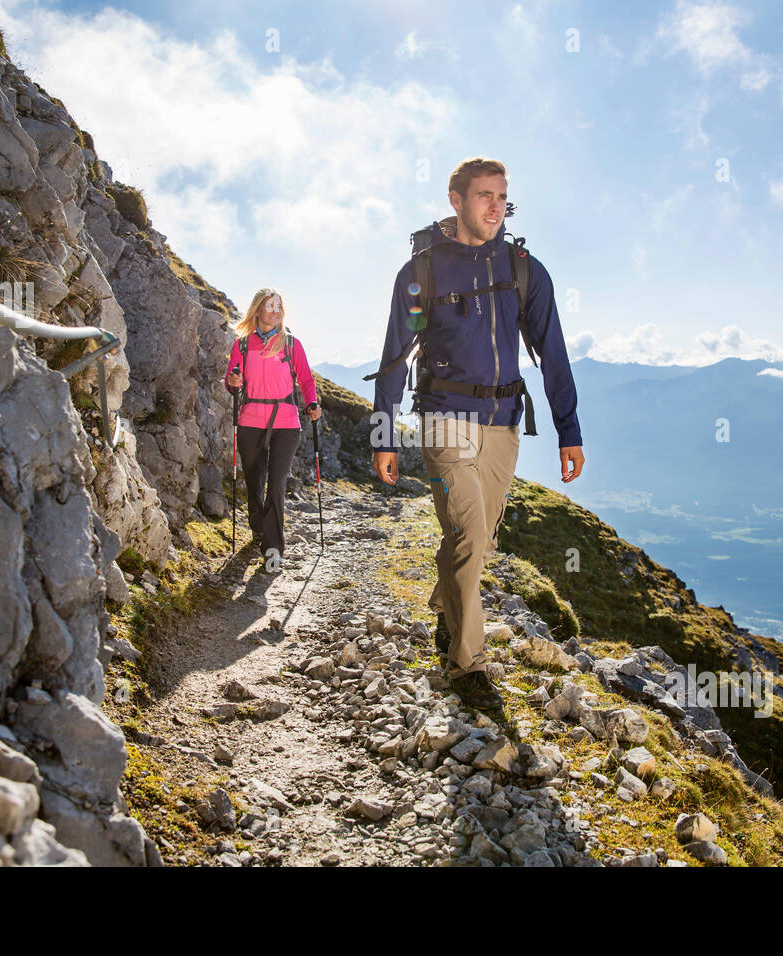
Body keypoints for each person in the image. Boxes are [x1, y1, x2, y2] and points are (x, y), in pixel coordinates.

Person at [369, 157, 585, 712]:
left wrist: (569, 429)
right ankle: (468, 666)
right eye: (484, 196)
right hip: (443, 419)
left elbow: (553, 353)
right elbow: (394, 358)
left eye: (502, 198)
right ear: (455, 199)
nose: (495, 207)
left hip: (503, 423)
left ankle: (446, 604)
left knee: (480, 540)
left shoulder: (524, 270)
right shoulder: (422, 274)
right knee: (467, 534)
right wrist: (382, 435)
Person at [225, 288, 320, 573]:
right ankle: (258, 528)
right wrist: (233, 381)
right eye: (270, 305)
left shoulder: (291, 344)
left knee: (276, 483)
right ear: (258, 311)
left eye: (279, 305)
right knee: (254, 482)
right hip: (251, 418)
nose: (276, 310)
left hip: (286, 421)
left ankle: (273, 548)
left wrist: (312, 402)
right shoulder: (242, 346)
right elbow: (231, 382)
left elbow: (305, 378)